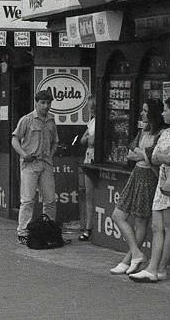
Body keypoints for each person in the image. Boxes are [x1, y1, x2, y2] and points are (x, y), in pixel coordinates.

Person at [130, 96, 170, 283]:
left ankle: (160, 268)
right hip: (161, 183)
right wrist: (157, 156)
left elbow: (169, 158)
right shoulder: (165, 133)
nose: (163, 113)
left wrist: (158, 156)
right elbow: (154, 156)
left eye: (166, 110)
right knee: (156, 226)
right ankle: (153, 268)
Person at [110, 99, 164, 275]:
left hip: (149, 177)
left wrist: (142, 154)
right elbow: (130, 152)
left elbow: (154, 158)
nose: (141, 113)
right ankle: (136, 253)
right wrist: (143, 155)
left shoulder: (161, 134)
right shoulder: (143, 131)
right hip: (136, 174)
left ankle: (128, 261)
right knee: (118, 215)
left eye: (145, 110)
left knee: (141, 221)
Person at [11, 90, 59, 245]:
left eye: (48, 103)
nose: (46, 106)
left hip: (45, 164)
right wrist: (24, 154)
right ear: (36, 102)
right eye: (43, 103)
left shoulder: (51, 121)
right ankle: (22, 233)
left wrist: (50, 155)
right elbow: (14, 139)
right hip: (30, 164)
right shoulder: (27, 120)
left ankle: (49, 230)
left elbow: (55, 141)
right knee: (27, 200)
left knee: (50, 200)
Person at [77, 95, 96, 241]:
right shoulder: (92, 122)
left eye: (92, 107)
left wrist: (91, 139)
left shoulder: (100, 121)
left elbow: (93, 140)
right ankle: (88, 226)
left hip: (96, 156)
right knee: (89, 194)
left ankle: (91, 226)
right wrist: (89, 138)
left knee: (94, 193)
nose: (91, 110)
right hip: (89, 156)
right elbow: (84, 139)